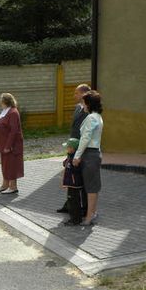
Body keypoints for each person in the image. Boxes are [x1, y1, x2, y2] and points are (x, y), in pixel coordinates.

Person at [57, 84, 91, 213]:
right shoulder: (77, 108)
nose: (74, 96)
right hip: (73, 147)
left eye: (76, 93)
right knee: (70, 176)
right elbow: (74, 129)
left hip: (81, 148)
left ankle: (84, 207)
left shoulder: (89, 110)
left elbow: (85, 133)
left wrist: (78, 149)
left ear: (84, 94)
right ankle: (70, 205)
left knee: (81, 178)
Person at [73, 90, 104, 226]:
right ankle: (93, 212)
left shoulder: (91, 118)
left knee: (90, 187)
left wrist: (77, 156)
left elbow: (85, 139)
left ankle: (89, 216)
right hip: (95, 153)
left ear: (88, 103)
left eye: (84, 102)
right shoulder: (97, 116)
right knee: (94, 186)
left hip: (89, 154)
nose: (82, 104)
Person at [0, 92, 24, 194]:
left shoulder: (13, 112)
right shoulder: (5, 111)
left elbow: (14, 130)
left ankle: (13, 186)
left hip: (11, 145)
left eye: (1, 100)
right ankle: (5, 184)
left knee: (11, 165)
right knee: (5, 165)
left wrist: (8, 145)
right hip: (3, 143)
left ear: (5, 101)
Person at [61, 138, 84, 226]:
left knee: (74, 202)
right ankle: (75, 218)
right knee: (72, 200)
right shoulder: (71, 156)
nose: (67, 149)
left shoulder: (75, 158)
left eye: (68, 147)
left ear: (72, 148)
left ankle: (75, 220)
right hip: (72, 184)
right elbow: (65, 164)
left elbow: (75, 168)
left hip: (74, 184)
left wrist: (70, 162)